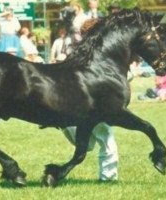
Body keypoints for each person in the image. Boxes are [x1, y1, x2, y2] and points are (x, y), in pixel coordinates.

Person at [62, 1, 119, 181]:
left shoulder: (77, 51)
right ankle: (108, 178)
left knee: (87, 145)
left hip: (71, 108)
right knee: (107, 138)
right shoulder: (95, 54)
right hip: (89, 107)